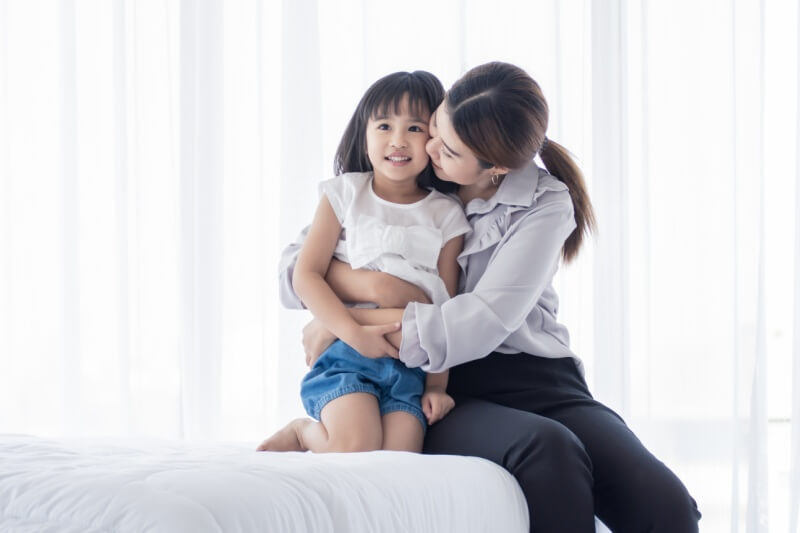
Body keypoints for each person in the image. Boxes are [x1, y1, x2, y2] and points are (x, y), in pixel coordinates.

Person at [277, 62, 701, 532]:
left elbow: (482, 319)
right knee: (549, 450)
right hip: (444, 381)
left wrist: (373, 316)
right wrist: (371, 293)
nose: (429, 146)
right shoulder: (405, 177)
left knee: (667, 509)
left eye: (448, 148)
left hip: (538, 378)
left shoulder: (543, 202)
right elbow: (293, 273)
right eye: (436, 126)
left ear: (496, 166)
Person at [257, 71, 470, 454]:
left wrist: (438, 387)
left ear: (435, 140)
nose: (398, 140)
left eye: (415, 128)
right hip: (346, 354)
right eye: (384, 125)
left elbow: (446, 313)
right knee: (354, 448)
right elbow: (307, 275)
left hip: (410, 364)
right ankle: (304, 433)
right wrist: (350, 333)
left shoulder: (447, 214)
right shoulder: (345, 195)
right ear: (365, 134)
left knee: (396, 459)